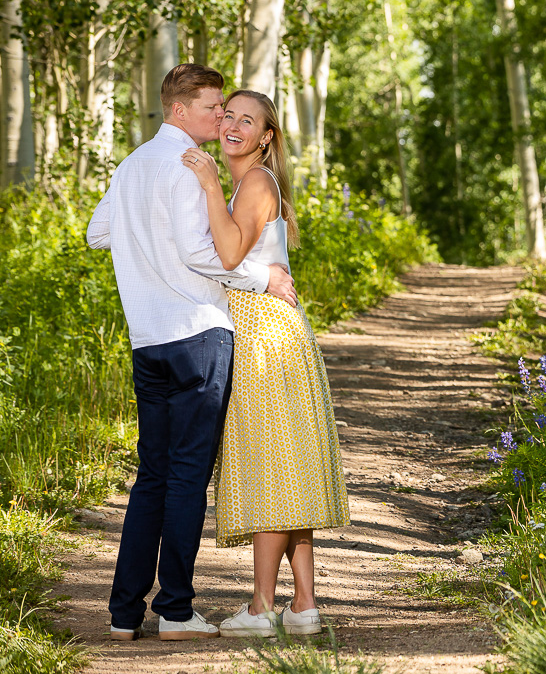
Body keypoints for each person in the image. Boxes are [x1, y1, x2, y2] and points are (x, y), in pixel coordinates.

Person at [87, 64, 297, 642]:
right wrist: (263, 279)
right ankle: (175, 609)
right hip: (197, 335)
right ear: (180, 111)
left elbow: (97, 231)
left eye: (228, 111)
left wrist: (142, 243)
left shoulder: (132, 165)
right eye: (213, 109)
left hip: (146, 339)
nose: (221, 118)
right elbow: (209, 257)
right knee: (185, 477)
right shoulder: (185, 166)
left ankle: (124, 613)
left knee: (151, 475)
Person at [181, 89, 349, 637]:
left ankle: (260, 607)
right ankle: (303, 606)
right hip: (273, 331)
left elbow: (228, 255)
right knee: (287, 466)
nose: (231, 125)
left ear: (266, 136)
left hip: (264, 337)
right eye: (227, 115)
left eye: (246, 120)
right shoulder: (251, 182)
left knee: (270, 467)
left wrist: (207, 183)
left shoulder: (253, 182)